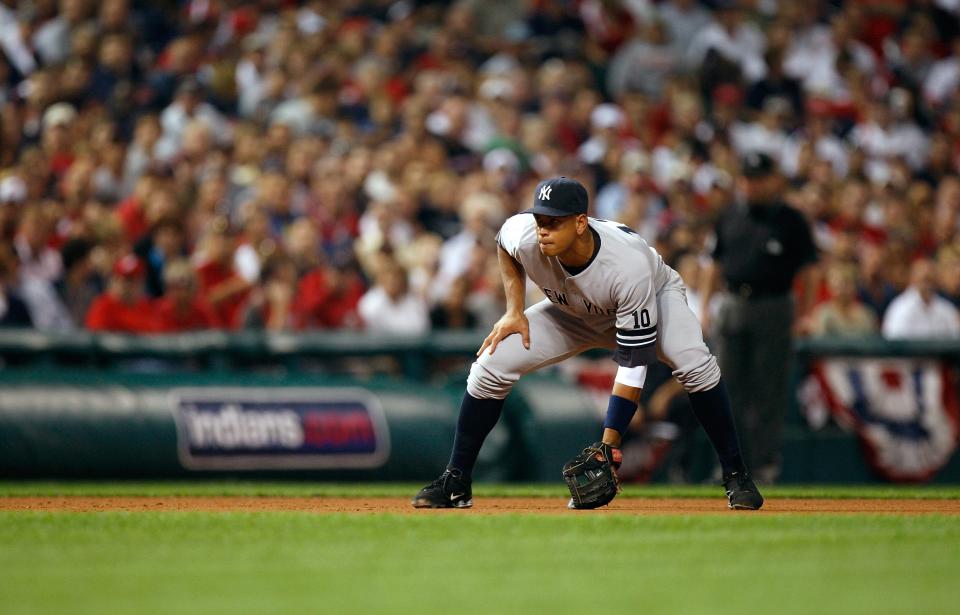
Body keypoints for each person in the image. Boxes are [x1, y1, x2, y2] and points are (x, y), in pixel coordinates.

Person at [412, 177, 763, 510]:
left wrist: (610, 444)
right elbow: (504, 243)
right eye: (539, 219)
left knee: (695, 365)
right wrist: (514, 310)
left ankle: (736, 476)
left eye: (554, 222)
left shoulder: (627, 265)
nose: (543, 229)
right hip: (573, 309)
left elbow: (633, 365)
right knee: (490, 365)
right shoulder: (525, 235)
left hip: (651, 298)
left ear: (581, 222)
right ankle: (456, 480)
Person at [702, 153, 818, 484]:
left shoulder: (791, 220)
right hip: (734, 302)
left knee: (768, 394)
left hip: (775, 306)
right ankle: (727, 467)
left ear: (773, 180)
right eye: (747, 178)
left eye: (758, 178)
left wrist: (806, 314)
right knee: (724, 391)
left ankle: (765, 467)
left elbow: (809, 271)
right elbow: (714, 264)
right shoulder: (730, 216)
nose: (751, 185)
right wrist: (707, 307)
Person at [882, 259, 960, 339]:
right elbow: (895, 345)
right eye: (924, 279)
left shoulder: (946, 308)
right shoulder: (900, 308)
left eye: (931, 279)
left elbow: (956, 339)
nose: (928, 284)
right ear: (913, 278)